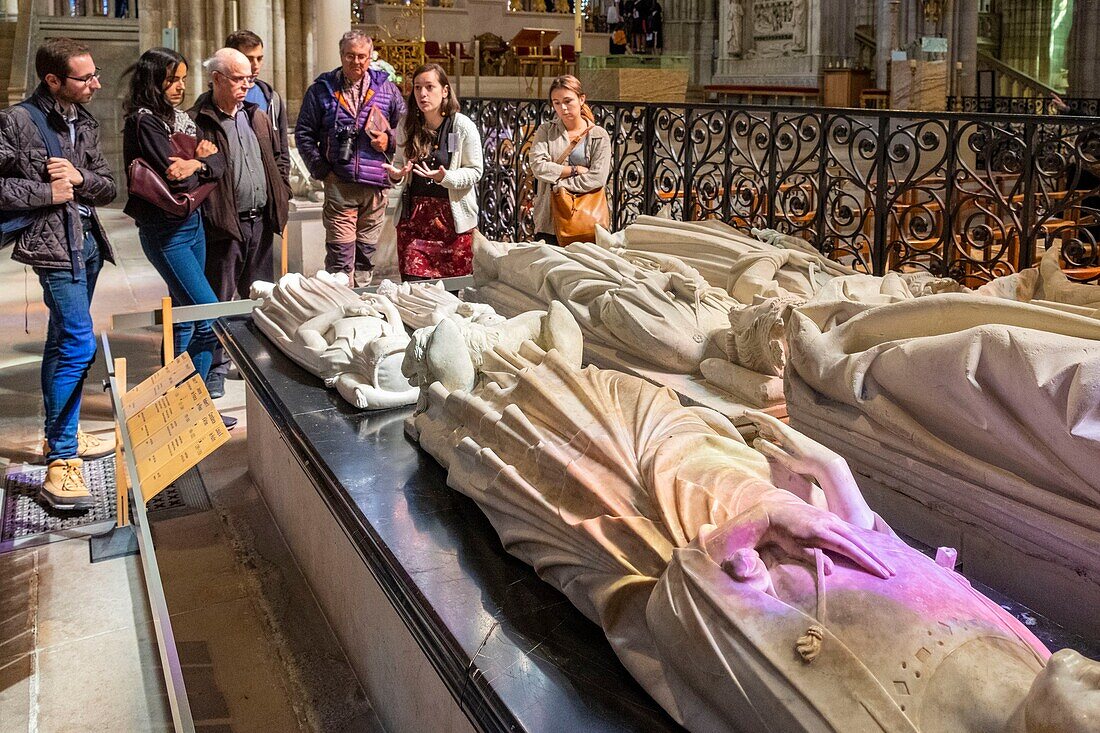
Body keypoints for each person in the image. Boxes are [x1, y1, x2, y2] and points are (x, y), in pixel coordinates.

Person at [0, 38, 116, 509]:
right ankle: (61, 464)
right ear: (53, 80)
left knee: (62, 340)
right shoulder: (19, 121)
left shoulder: (84, 120)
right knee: (78, 341)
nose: (96, 83)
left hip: (86, 244)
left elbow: (106, 186)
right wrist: (47, 193)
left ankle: (60, 434)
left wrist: (81, 179)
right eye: (85, 77)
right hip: (52, 246)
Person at [122, 48, 235, 427]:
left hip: (193, 222)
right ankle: (194, 413)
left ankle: (176, 407)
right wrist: (201, 164)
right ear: (153, 80)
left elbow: (221, 161)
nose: (179, 87)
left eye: (183, 79)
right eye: (172, 80)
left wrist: (200, 162)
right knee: (209, 318)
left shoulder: (181, 118)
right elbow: (177, 178)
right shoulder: (144, 122)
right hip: (165, 230)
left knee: (185, 319)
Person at [189, 48, 290, 399]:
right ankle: (214, 370)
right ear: (216, 78)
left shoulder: (255, 115)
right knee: (219, 301)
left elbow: (277, 157)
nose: (246, 84)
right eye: (238, 78)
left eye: (249, 78)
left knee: (261, 298)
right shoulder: (197, 121)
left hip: (260, 222)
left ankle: (257, 365)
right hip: (224, 227)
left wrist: (282, 193)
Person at [295, 30, 406, 285]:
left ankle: (361, 310)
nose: (356, 62)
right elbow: (304, 133)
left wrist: (389, 139)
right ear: (341, 55)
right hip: (340, 183)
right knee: (340, 259)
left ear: (370, 57)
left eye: (362, 57)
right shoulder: (322, 91)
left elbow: (406, 129)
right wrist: (322, 169)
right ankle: (337, 312)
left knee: (365, 257)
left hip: (376, 186)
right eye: (350, 56)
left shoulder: (387, 89)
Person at [384, 64, 483, 280]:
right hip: (415, 219)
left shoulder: (462, 126)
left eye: (429, 87)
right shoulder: (407, 124)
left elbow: (475, 171)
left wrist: (445, 177)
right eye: (417, 87)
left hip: (452, 222)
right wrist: (397, 175)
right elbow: (400, 165)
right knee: (414, 289)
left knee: (451, 293)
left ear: (445, 90)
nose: (422, 94)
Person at [529, 75, 611, 245]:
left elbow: (597, 177)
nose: (563, 108)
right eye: (556, 103)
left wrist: (561, 187)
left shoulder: (598, 135)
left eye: (568, 101)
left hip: (586, 218)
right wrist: (573, 170)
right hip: (550, 219)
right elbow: (538, 166)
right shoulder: (546, 130)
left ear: (581, 99)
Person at [223, 30, 290, 178]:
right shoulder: (211, 102)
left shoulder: (271, 98)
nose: (255, 65)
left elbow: (282, 149)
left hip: (267, 181)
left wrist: (282, 185)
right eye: (249, 59)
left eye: (259, 58)